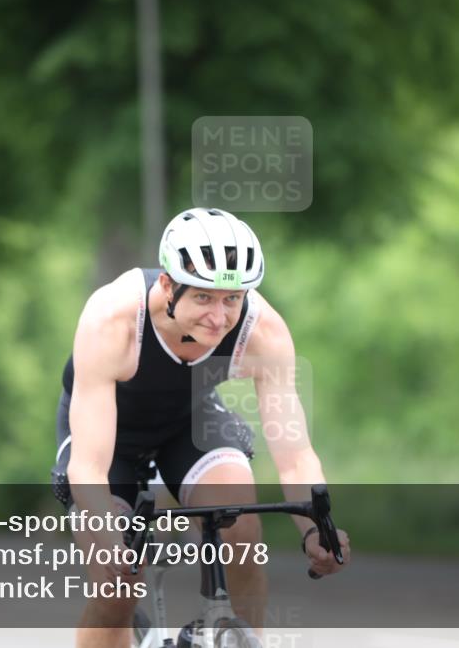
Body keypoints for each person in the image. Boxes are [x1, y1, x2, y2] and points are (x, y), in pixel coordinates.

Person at [51, 207, 350, 648]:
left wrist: (316, 530)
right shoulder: (112, 320)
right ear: (168, 286)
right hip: (108, 439)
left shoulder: (261, 331)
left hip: (188, 422)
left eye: (233, 299)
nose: (219, 317)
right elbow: (89, 467)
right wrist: (108, 535)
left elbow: (295, 454)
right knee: (117, 586)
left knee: (241, 526)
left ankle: (245, 639)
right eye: (205, 298)